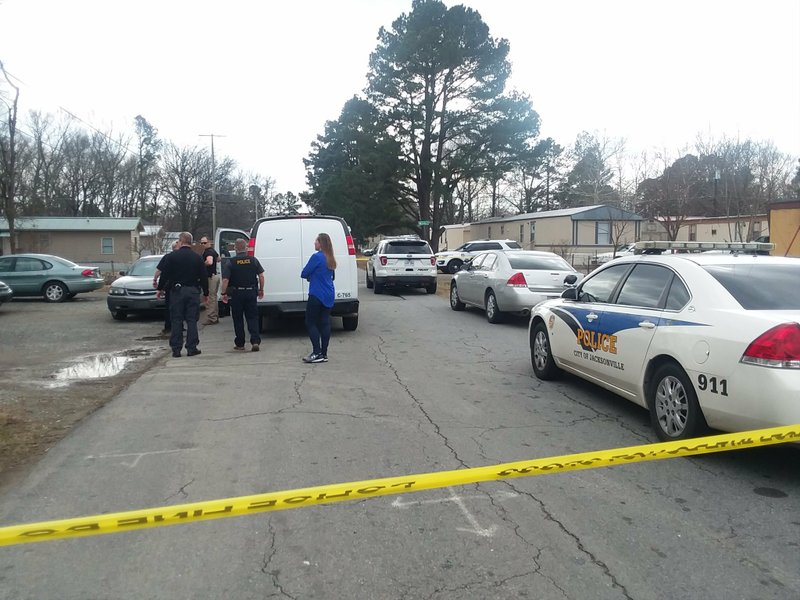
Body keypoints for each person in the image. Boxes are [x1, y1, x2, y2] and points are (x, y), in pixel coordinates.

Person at [156, 232, 209, 357]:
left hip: (176, 291)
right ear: (190, 242)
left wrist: (160, 289)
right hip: (192, 291)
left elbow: (165, 275)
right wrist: (206, 293)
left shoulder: (172, 257)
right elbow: (203, 276)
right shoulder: (197, 257)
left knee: (176, 319)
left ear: (180, 241)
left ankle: (176, 349)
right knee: (191, 320)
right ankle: (192, 347)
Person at [220, 238, 264, 352]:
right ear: (246, 248)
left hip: (237, 293)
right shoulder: (253, 260)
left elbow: (225, 280)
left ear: (235, 248)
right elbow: (261, 276)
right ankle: (255, 341)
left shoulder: (231, 262)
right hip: (251, 292)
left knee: (238, 318)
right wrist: (261, 289)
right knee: (252, 317)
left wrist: (223, 293)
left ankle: (240, 343)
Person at [300, 232, 336, 363]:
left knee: (310, 322)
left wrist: (311, 276)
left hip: (317, 293)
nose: (314, 243)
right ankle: (324, 353)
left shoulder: (316, 257)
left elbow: (304, 273)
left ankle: (316, 352)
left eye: (316, 241)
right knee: (325, 322)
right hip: (329, 294)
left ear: (321, 244)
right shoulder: (330, 257)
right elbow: (331, 276)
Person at [153, 240, 180, 335]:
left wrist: (156, 281)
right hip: (182, 286)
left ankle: (168, 326)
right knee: (180, 307)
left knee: (169, 307)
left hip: (170, 285)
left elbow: (159, 271)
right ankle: (179, 326)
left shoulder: (167, 257)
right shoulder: (184, 257)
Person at [200, 235, 220, 325]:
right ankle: (215, 316)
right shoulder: (213, 251)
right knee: (214, 298)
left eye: (204, 242)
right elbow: (219, 259)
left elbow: (210, 261)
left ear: (209, 243)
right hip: (214, 276)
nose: (203, 244)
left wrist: (201, 265)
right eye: (201, 243)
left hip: (210, 278)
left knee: (210, 298)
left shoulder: (208, 252)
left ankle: (211, 318)